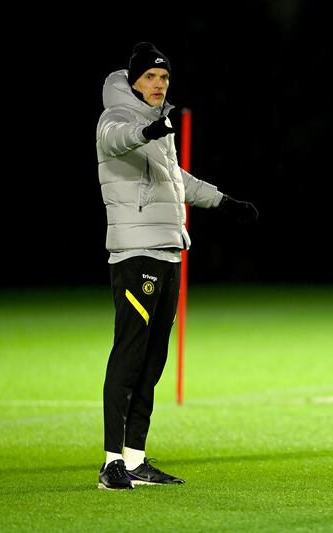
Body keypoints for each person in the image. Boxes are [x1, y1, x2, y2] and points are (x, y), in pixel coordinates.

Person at [95, 42, 258, 490]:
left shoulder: (157, 125)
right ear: (133, 80)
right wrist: (148, 131)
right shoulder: (118, 117)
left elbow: (176, 179)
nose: (158, 84)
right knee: (129, 355)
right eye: (150, 77)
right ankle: (111, 464)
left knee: (152, 361)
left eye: (164, 78)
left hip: (169, 251)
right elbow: (116, 140)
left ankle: (135, 459)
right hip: (135, 253)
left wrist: (224, 201)